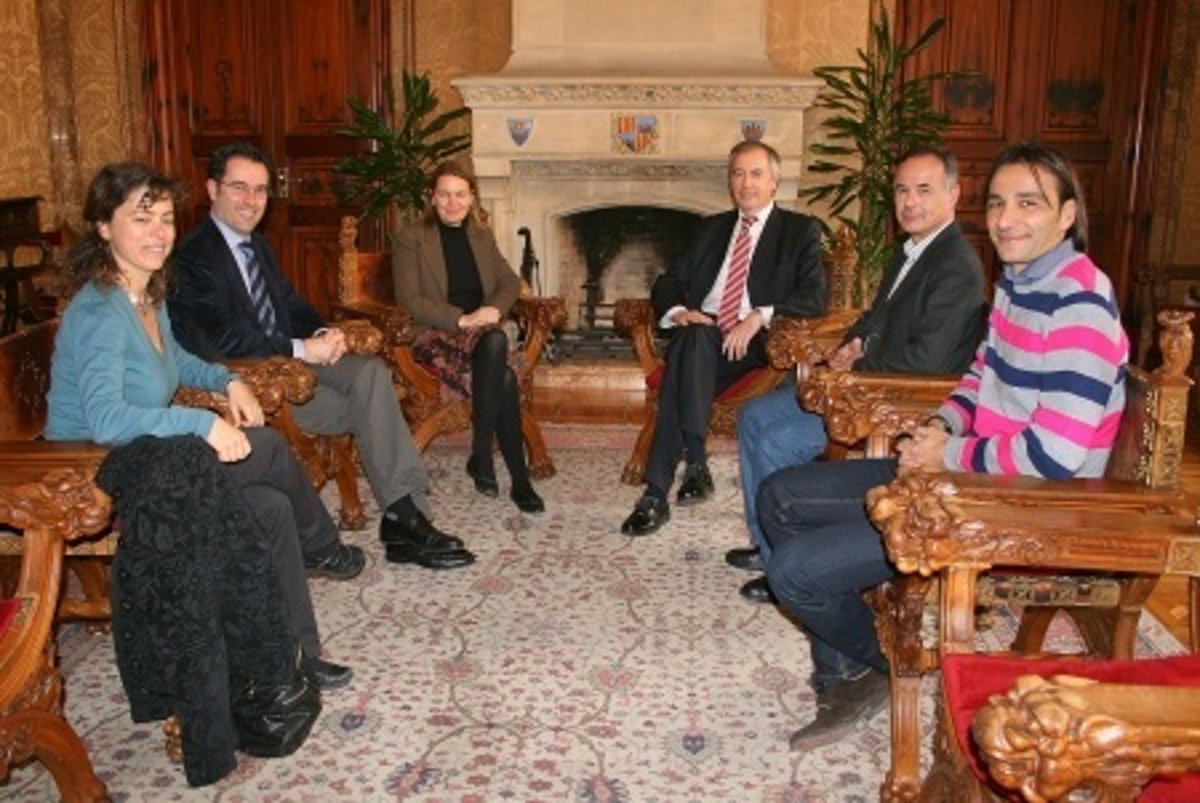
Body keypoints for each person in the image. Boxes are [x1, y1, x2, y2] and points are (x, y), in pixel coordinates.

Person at [756, 141, 1129, 749]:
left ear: (1067, 215)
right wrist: (942, 426)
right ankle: (851, 667)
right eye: (998, 203)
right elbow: (979, 376)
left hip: (1027, 504)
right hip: (972, 476)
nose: (1006, 219)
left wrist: (948, 456)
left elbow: (1055, 455)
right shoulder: (1019, 283)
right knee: (779, 497)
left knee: (792, 574)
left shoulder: (1078, 304)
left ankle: (889, 663)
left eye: (1029, 203)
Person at [45, 163, 355, 718]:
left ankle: (298, 656)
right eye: (142, 219)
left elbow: (180, 362)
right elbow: (106, 419)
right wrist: (202, 423)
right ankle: (324, 548)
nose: (159, 233)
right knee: (268, 447)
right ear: (104, 227)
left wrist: (228, 379)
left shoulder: (146, 293)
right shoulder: (99, 311)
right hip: (99, 470)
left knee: (271, 506)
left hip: (150, 455)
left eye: (166, 219)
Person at [168, 141, 474, 571]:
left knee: (370, 373)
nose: (251, 200)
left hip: (287, 366)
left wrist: (321, 332)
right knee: (372, 405)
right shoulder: (193, 256)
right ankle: (403, 520)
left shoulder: (256, 246)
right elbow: (224, 339)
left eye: (260, 190)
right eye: (239, 187)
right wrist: (300, 348)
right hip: (248, 385)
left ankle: (404, 512)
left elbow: (290, 305)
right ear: (212, 189)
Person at [728, 146, 987, 604]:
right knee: (753, 416)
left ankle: (789, 566)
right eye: (902, 191)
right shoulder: (909, 250)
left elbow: (927, 360)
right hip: (862, 383)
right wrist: (851, 343)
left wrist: (858, 365)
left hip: (898, 398)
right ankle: (767, 544)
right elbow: (875, 317)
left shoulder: (955, 267)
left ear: (953, 194)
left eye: (923, 190)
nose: (910, 202)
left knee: (776, 442)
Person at [619, 140, 828, 536]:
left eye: (756, 174)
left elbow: (814, 296)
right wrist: (679, 312)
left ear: (774, 182)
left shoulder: (799, 230)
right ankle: (690, 467)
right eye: (738, 174)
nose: (746, 183)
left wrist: (759, 314)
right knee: (694, 338)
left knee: (681, 367)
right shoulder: (710, 229)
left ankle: (659, 490)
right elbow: (667, 282)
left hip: (757, 344)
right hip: (705, 336)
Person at [392, 159, 543, 514]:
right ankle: (507, 471)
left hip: (481, 334)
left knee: (497, 355)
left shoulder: (481, 235)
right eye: (444, 194)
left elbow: (509, 282)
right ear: (431, 197)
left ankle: (490, 460)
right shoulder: (411, 238)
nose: (452, 203)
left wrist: (493, 310)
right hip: (435, 333)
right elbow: (409, 300)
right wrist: (461, 320)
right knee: (500, 361)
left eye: (460, 194)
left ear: (472, 197)